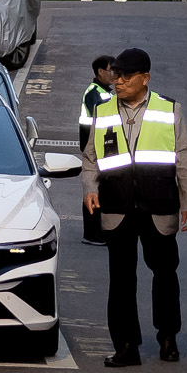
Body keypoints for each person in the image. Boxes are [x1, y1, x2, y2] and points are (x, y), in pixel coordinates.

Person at [80, 48, 187, 368]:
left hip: (159, 206)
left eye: (125, 76)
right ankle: (126, 345)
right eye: (115, 75)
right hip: (117, 207)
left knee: (164, 273)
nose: (118, 81)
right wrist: (90, 188)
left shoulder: (170, 109)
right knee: (120, 280)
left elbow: (185, 159)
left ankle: (168, 337)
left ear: (145, 78)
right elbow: (91, 159)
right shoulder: (102, 111)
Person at [76, 55, 116, 246]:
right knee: (94, 189)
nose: (115, 75)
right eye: (112, 70)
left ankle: (100, 230)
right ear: (100, 72)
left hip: (105, 148)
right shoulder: (94, 93)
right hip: (95, 148)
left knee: (102, 190)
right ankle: (92, 233)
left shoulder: (106, 92)